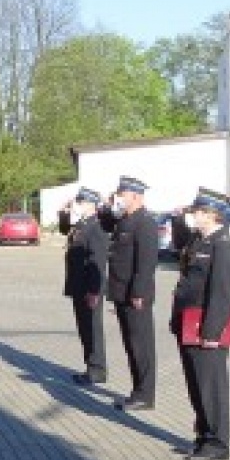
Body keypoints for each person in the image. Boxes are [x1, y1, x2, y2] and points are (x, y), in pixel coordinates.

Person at [170, 189, 230, 460]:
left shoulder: (223, 246)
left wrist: (212, 332)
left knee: (211, 385)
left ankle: (217, 442)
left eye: (197, 211)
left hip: (205, 327)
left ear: (212, 214)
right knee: (196, 384)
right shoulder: (200, 240)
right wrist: (178, 221)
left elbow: (221, 294)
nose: (192, 215)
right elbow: (180, 248)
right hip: (188, 323)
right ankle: (203, 435)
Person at [102, 176, 158, 411]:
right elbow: (105, 224)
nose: (119, 198)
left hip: (135, 294)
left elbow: (145, 262)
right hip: (122, 292)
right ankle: (138, 390)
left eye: (122, 195)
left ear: (136, 196)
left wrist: (138, 293)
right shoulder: (125, 219)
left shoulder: (144, 222)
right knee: (131, 344)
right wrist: (107, 207)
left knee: (140, 345)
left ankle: (145, 395)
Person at [57, 187, 108, 386]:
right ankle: (90, 366)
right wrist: (63, 212)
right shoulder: (82, 225)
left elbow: (98, 260)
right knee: (84, 327)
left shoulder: (97, 227)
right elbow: (63, 229)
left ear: (91, 204)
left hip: (89, 287)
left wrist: (94, 290)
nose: (77, 205)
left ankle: (97, 369)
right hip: (79, 285)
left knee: (93, 328)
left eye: (81, 202)